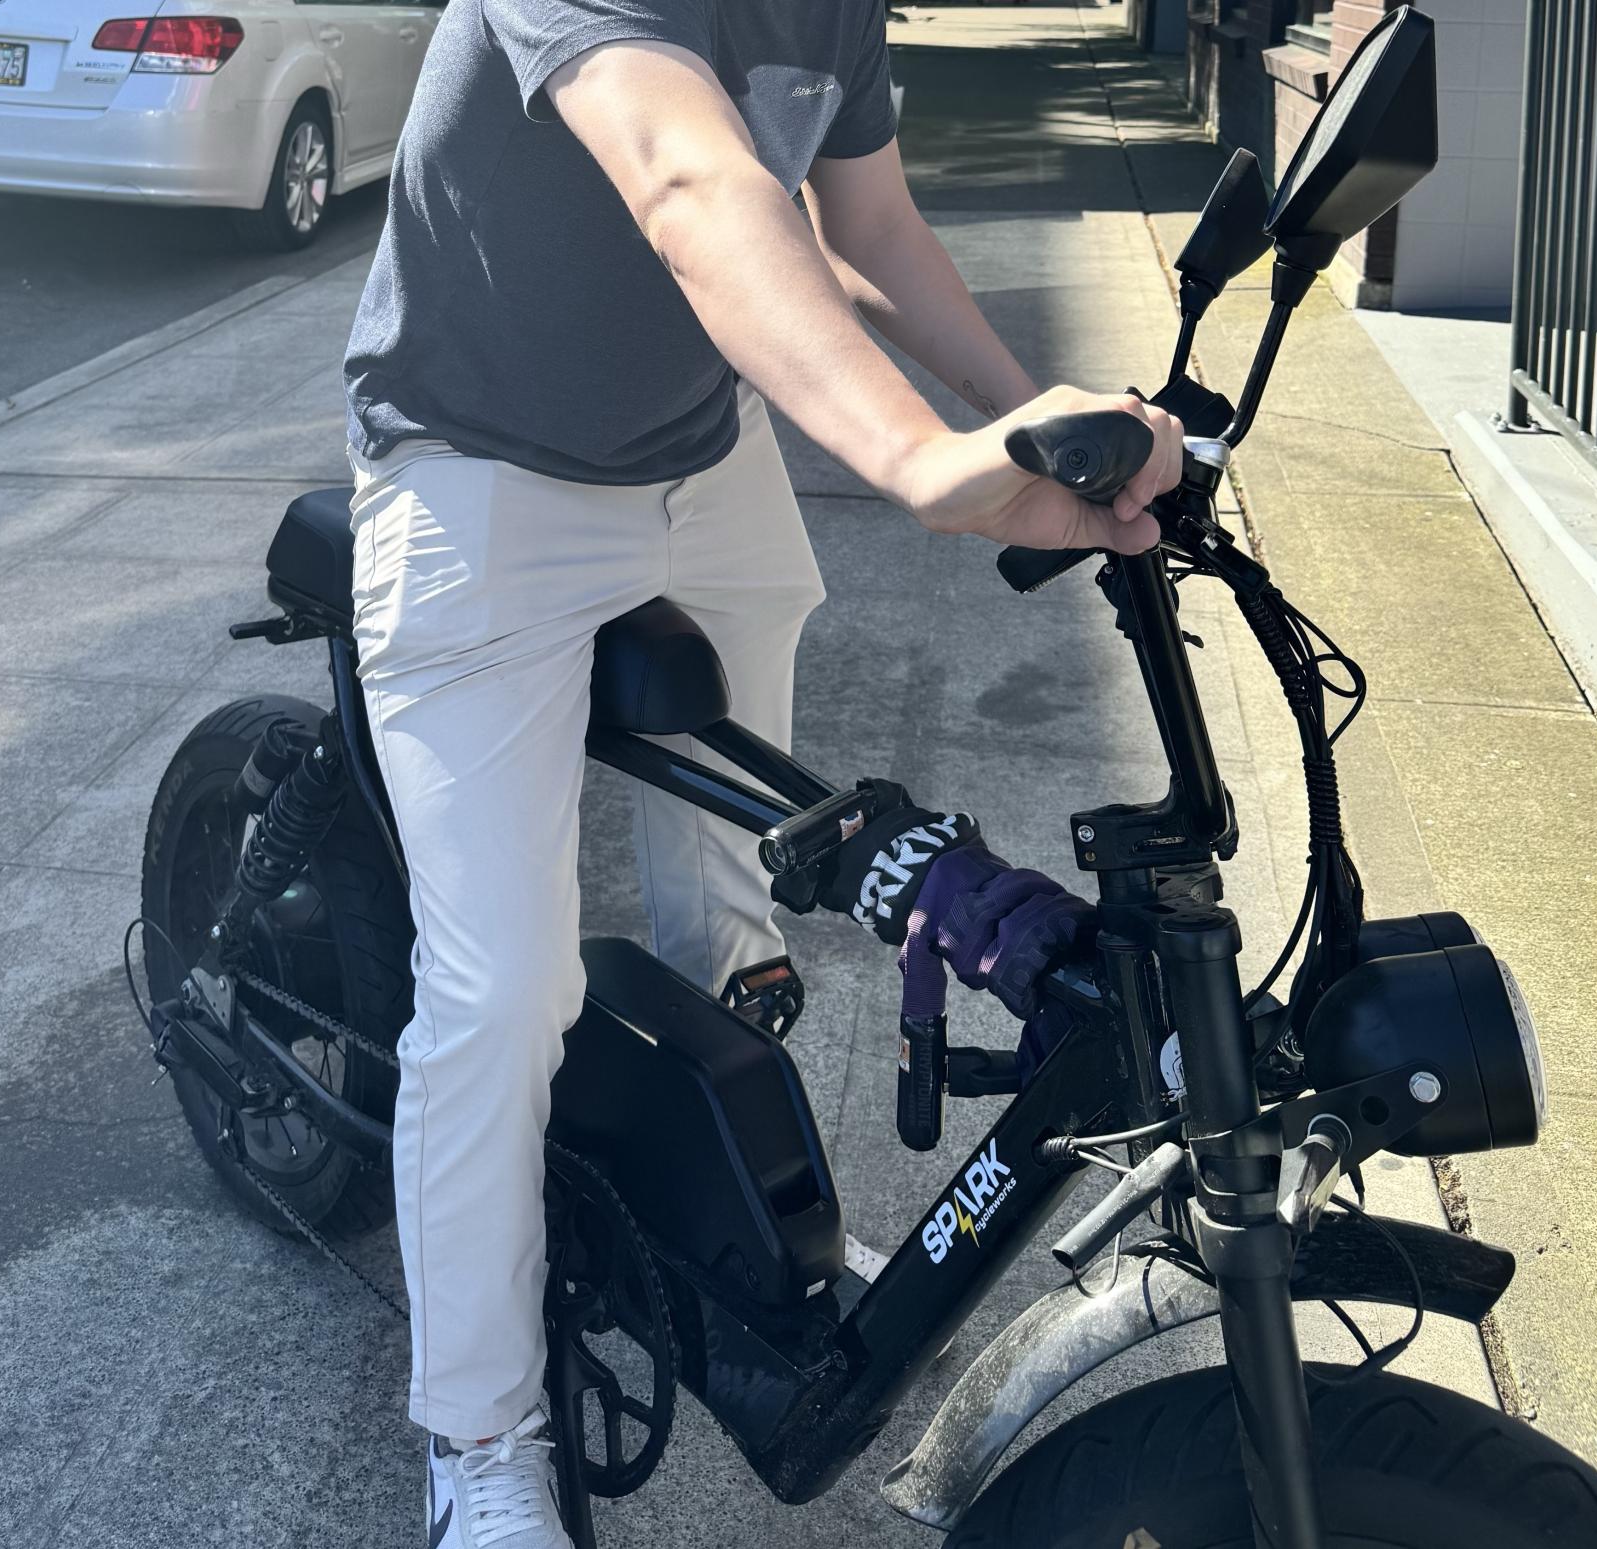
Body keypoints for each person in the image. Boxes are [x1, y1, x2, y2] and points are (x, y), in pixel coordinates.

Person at [341, 2, 1183, 1543]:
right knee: (500, 993)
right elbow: (691, 182)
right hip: (477, 466)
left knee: (744, 899)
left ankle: (715, 1216)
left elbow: (870, 229)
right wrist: (915, 458)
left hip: (696, 457)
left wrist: (1040, 430)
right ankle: (477, 1434)